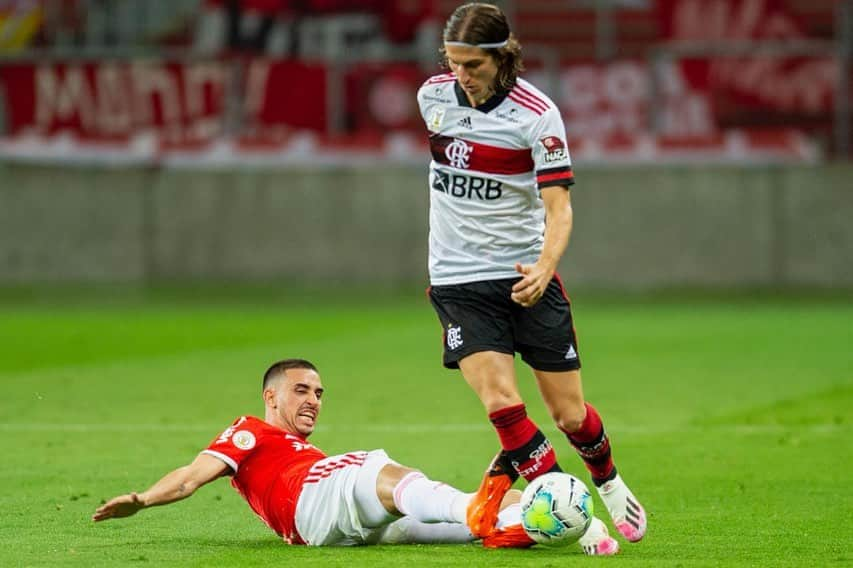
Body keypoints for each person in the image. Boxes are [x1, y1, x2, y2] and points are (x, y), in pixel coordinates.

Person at [416, 2, 647, 550]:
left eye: (472, 65)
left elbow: (558, 209)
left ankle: (607, 481)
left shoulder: (536, 114)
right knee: (500, 401)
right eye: (453, 63)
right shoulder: (432, 97)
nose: (461, 76)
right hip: (458, 280)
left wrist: (545, 268)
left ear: (501, 58)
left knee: (569, 415)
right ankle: (579, 520)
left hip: (525, 276)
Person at [91, 358, 614, 553]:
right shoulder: (249, 432)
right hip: (309, 498)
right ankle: (477, 507)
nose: (312, 401)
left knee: (483, 520)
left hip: (323, 529)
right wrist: (143, 498)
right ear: (270, 396)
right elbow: (190, 476)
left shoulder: (302, 449)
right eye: (301, 391)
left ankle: (547, 525)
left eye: (318, 393)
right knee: (372, 466)